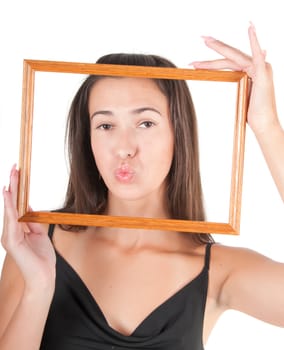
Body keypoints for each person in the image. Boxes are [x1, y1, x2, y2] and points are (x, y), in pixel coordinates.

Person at [0, 23, 283, 350]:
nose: (124, 147)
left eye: (145, 123)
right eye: (105, 125)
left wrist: (267, 125)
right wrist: (38, 286)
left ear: (179, 133)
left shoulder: (219, 270)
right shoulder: (36, 244)